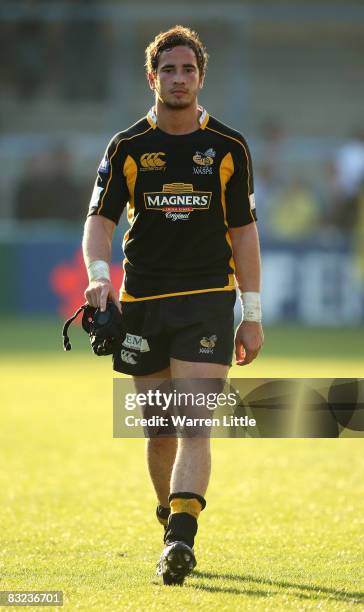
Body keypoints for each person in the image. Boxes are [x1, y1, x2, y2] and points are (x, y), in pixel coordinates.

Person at [82, 25, 264, 585]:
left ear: (201, 77)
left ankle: (182, 541)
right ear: (152, 77)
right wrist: (97, 276)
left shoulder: (229, 148)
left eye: (188, 70)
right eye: (169, 70)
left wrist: (252, 313)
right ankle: (170, 521)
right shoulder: (127, 147)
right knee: (159, 430)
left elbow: (244, 234)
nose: (178, 79)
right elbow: (100, 222)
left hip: (208, 299)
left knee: (192, 424)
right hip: (142, 303)